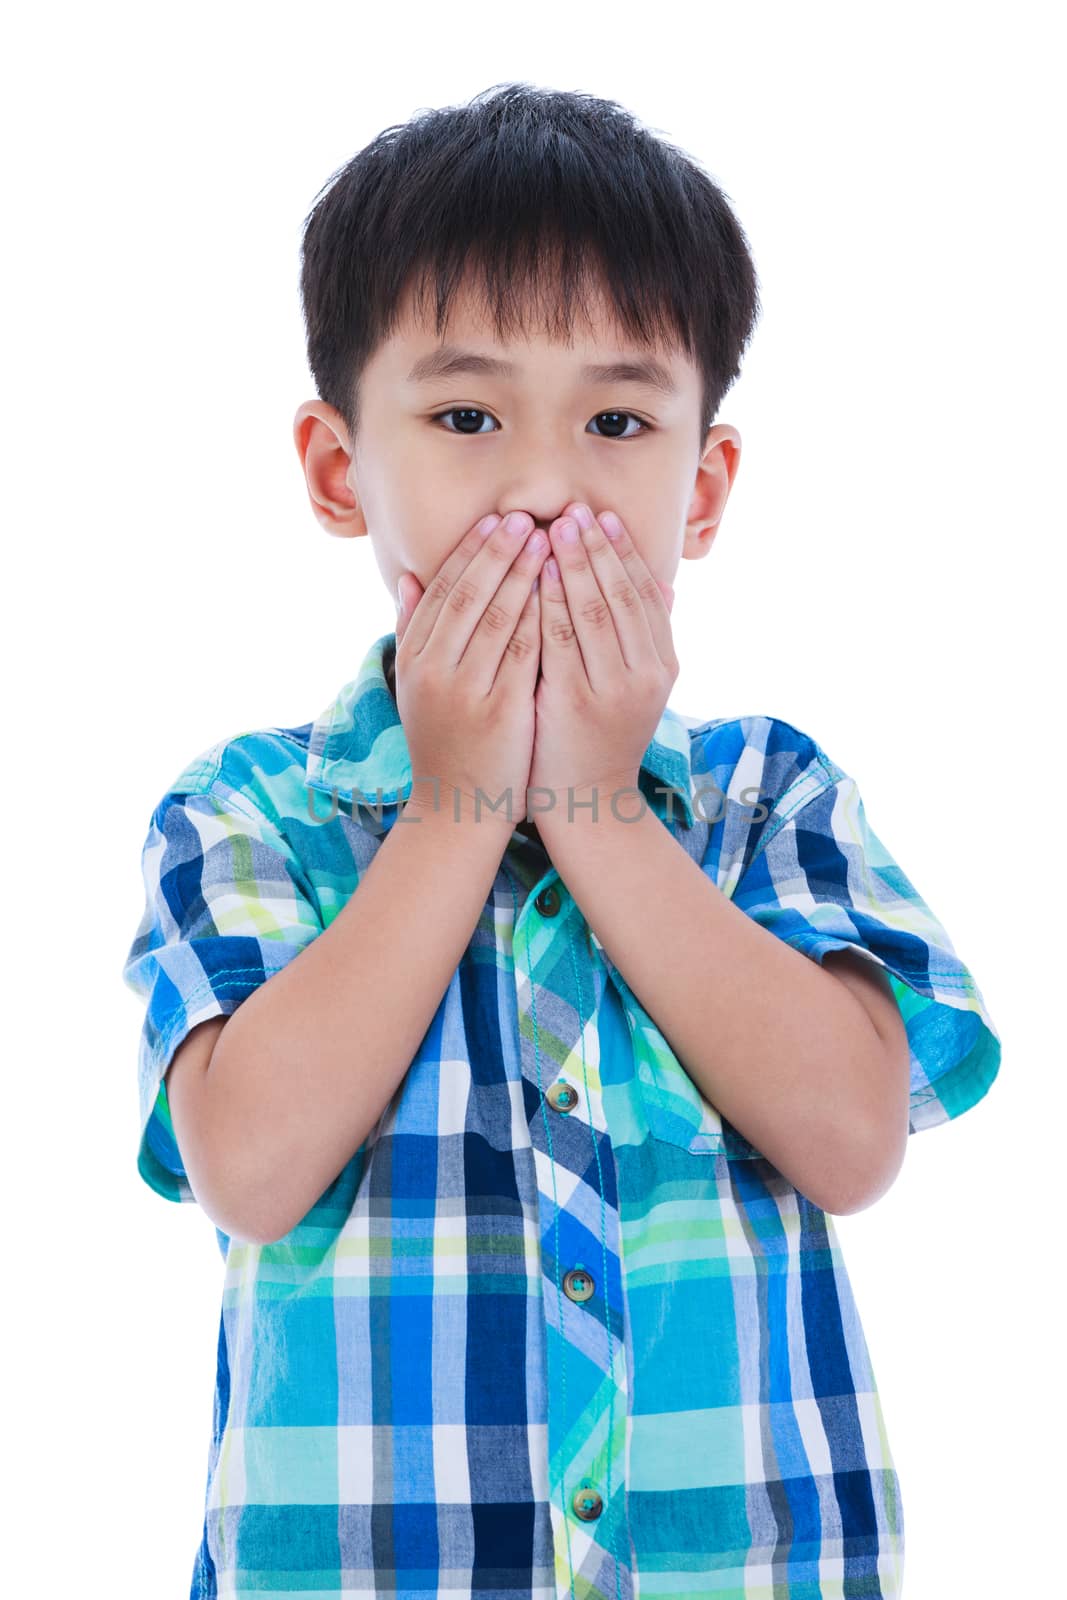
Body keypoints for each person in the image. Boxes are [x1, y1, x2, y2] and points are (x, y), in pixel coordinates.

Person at [120, 81, 1001, 1600]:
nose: (542, 489)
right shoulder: (250, 809)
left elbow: (855, 1141)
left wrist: (595, 807)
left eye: (616, 421)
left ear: (703, 488)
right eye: (467, 418)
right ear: (342, 472)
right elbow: (249, 1166)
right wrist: (461, 798)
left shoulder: (766, 800)